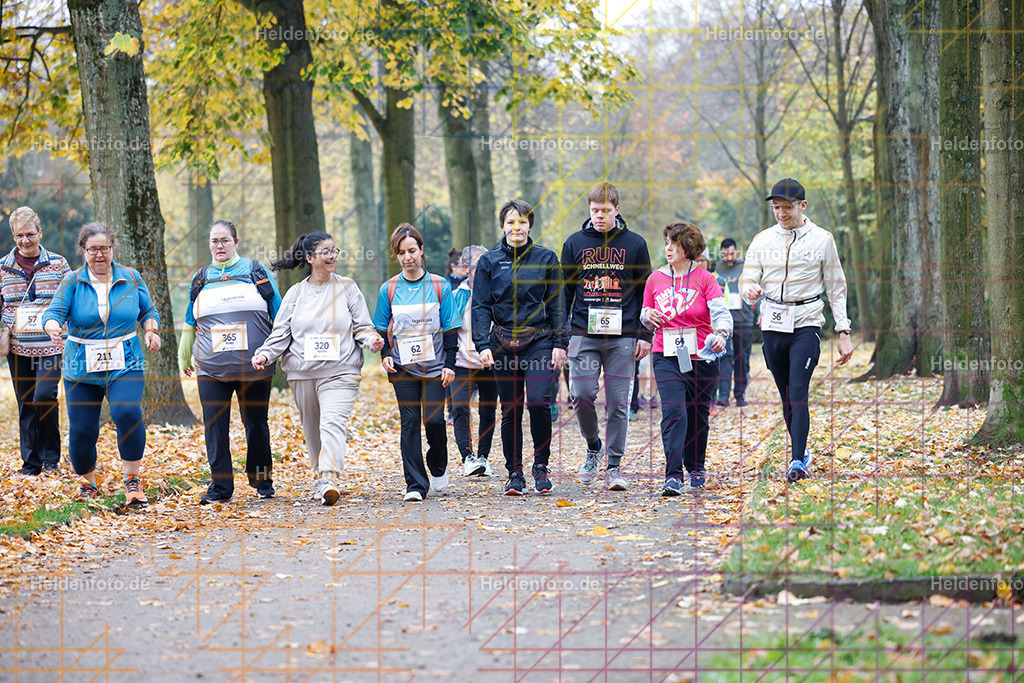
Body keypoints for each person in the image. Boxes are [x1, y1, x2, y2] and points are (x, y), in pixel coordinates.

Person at [251, 232, 383, 505]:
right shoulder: (295, 293)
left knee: (332, 423)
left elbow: (362, 325)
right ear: (310, 258)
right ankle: (322, 475)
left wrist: (372, 340)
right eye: (325, 252)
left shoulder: (347, 287)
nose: (332, 256)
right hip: (303, 373)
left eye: (334, 250)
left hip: (341, 370)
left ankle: (328, 476)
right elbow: (281, 333)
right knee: (312, 430)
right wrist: (265, 354)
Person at [740, 178, 853, 482]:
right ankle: (802, 451)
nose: (781, 213)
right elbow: (747, 278)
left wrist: (843, 331)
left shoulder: (822, 239)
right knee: (786, 394)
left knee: (799, 389)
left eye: (787, 207)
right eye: (776, 207)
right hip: (773, 323)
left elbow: (836, 287)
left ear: (803, 206)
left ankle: (796, 460)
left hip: (806, 322)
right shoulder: (762, 240)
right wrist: (749, 289)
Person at [42, 223, 160, 503]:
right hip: (81, 364)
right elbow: (53, 312)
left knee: (128, 414)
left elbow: (148, 310)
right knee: (83, 429)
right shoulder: (72, 280)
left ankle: (132, 481)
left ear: (112, 249)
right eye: (92, 249)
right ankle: (88, 483)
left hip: (125, 360)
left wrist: (151, 331)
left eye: (104, 248)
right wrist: (53, 327)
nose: (99, 254)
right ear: (83, 251)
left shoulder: (130, 276)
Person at [179, 220, 283, 505]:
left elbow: (281, 316)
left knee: (256, 425)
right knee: (215, 426)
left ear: (236, 242)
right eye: (214, 241)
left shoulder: (256, 272)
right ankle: (220, 488)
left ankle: (262, 481)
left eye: (224, 240)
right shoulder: (201, 278)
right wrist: (183, 354)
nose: (219, 246)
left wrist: (280, 352)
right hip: (211, 369)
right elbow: (191, 320)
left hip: (255, 367)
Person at [562, 182, 652, 490]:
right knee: (581, 393)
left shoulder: (635, 243)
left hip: (623, 335)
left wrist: (644, 335)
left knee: (618, 403)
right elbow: (565, 292)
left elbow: (646, 293)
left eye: (605, 211)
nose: (600, 216)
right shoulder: (574, 243)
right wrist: (563, 335)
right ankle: (593, 445)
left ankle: (614, 466)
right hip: (583, 333)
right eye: (594, 210)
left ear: (617, 210)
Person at [473, 200, 566, 496]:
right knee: (510, 409)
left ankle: (541, 466)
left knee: (538, 401)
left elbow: (557, 304)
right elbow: (480, 306)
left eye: (523, 222)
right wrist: (481, 343)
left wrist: (560, 343)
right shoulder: (489, 262)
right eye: (511, 222)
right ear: (503, 226)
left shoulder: (547, 258)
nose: (517, 227)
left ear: (530, 225)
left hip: (539, 341)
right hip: (501, 343)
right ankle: (514, 473)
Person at [642, 223, 732, 494]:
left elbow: (721, 313)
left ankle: (695, 467)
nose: (667, 248)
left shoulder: (706, 278)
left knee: (698, 415)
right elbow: (645, 312)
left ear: (688, 247)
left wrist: (722, 335)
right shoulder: (655, 278)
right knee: (674, 411)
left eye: (673, 243)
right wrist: (647, 317)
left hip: (702, 356)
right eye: (666, 242)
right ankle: (672, 475)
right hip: (665, 353)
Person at [372, 224, 460, 502]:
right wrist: (385, 354)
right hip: (403, 368)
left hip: (435, 367)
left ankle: (437, 465)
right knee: (409, 422)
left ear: (421, 251)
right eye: (401, 253)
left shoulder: (439, 285)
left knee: (434, 420)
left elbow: (450, 328)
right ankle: (415, 485)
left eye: (412, 251)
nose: (407, 257)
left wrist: (451, 364)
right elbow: (380, 328)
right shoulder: (389, 289)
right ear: (396, 256)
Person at [1, 207, 71, 475]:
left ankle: (51, 456)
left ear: (40, 232)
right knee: (26, 403)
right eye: (19, 235)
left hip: (51, 345)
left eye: (30, 234)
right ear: (13, 236)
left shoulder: (58, 264)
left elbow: (70, 301)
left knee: (45, 395)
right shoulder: (3, 268)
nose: (25, 240)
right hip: (17, 348)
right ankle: (31, 463)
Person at [450, 244, 497, 477]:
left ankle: (483, 457)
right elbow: (448, 329)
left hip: (489, 363)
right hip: (461, 363)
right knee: (459, 408)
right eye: (481, 264)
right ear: (467, 267)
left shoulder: (496, 293)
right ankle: (467, 456)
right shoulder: (456, 296)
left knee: (488, 410)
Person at [715, 238, 754, 407]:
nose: (728, 258)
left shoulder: (747, 267)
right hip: (724, 321)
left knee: (742, 359)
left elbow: (758, 288)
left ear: (737, 251)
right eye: (724, 254)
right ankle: (723, 395)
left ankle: (740, 395)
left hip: (743, 319)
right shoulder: (717, 268)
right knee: (724, 357)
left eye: (731, 254)